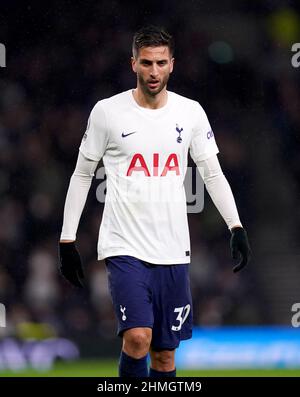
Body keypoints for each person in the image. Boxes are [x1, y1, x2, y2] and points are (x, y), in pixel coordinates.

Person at [58, 25, 251, 377]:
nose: (153, 71)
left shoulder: (190, 112)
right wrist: (67, 239)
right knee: (137, 338)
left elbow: (212, 173)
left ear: (172, 65)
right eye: (146, 63)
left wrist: (235, 226)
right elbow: (83, 174)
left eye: (161, 63)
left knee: (164, 357)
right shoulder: (107, 112)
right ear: (133, 64)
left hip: (173, 249)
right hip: (124, 246)